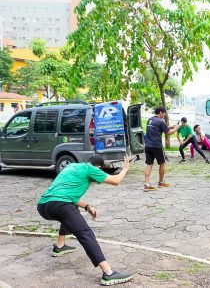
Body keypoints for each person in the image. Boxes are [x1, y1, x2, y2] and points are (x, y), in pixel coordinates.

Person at [37, 155, 134, 285]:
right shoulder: (91, 169)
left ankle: (59, 246)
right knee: (85, 233)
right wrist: (125, 168)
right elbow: (116, 180)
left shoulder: (71, 166)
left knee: (69, 213)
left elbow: (66, 194)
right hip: (60, 205)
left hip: (43, 206)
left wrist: (87, 206)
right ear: (98, 167)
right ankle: (108, 273)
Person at [144, 106, 178, 191]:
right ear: (160, 112)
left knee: (149, 164)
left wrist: (169, 126)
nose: (165, 114)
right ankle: (161, 182)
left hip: (148, 146)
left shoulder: (150, 120)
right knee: (162, 163)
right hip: (157, 146)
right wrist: (176, 128)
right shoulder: (161, 121)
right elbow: (169, 133)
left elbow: (158, 128)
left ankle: (146, 184)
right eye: (164, 113)